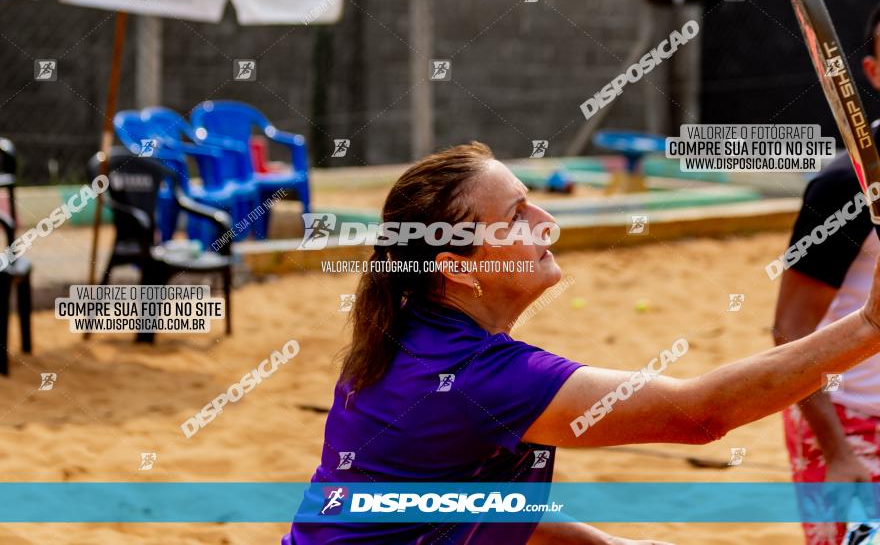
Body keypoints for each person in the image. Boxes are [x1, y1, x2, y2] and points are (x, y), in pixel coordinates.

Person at [285, 142, 880, 545]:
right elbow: (700, 414)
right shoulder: (476, 377)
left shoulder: (413, 330)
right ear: (459, 269)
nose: (548, 222)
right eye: (517, 217)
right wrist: (867, 327)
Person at [772, 4, 880, 545]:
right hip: (850, 421)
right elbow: (790, 332)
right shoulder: (844, 186)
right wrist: (837, 451)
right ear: (874, 72)